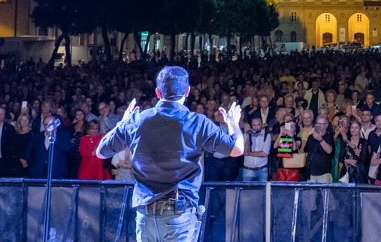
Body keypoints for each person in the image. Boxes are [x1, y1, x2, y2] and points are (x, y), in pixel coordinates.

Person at [96, 66, 244, 242]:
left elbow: (101, 152)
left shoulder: (136, 120)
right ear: (187, 91)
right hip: (178, 216)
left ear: (158, 92)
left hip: (145, 215)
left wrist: (123, 122)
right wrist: (232, 123)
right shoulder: (197, 122)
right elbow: (237, 149)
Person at [27, 114, 72, 179]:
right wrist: (32, 167)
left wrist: (54, 137)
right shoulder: (37, 137)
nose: (49, 126)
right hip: (39, 173)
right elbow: (29, 152)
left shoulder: (64, 134)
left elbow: (66, 148)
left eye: (51, 124)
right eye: (46, 124)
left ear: (56, 124)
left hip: (57, 173)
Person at [303, 115, 335, 183]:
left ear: (326, 125)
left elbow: (330, 151)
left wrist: (320, 139)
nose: (320, 126)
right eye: (318, 124)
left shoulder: (329, 137)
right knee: (311, 193)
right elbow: (306, 152)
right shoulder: (310, 137)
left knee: (325, 193)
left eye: (322, 124)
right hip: (311, 172)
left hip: (324, 173)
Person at [338, 118, 370, 183]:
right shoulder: (346, 141)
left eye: (356, 128)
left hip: (359, 172)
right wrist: (347, 160)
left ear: (360, 129)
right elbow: (340, 157)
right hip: (346, 172)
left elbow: (364, 159)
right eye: (352, 127)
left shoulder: (364, 142)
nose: (354, 130)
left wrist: (355, 150)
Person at [242, 116, 271, 182]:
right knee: (247, 191)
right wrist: (248, 137)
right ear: (251, 125)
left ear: (261, 124)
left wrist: (249, 153)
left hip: (262, 170)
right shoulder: (246, 135)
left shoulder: (266, 135)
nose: (256, 127)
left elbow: (264, 153)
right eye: (254, 125)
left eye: (258, 125)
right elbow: (244, 152)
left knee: (263, 191)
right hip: (248, 169)